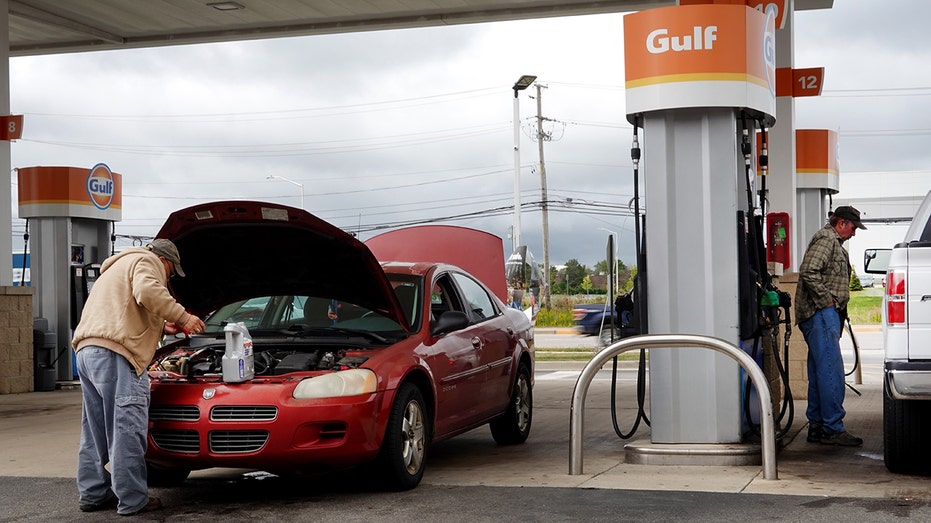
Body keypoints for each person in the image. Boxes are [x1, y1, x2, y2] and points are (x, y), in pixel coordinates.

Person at [72, 239, 205, 516]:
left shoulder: (116, 268)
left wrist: (162, 327)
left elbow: (126, 310)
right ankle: (133, 500)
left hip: (87, 352)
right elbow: (147, 291)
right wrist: (183, 317)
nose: (167, 278)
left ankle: (93, 493)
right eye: (170, 273)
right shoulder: (147, 261)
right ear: (165, 261)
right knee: (127, 429)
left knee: (93, 430)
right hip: (116, 356)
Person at [794, 205, 865, 447]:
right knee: (831, 371)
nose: (854, 233)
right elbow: (808, 271)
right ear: (842, 223)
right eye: (854, 228)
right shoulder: (827, 239)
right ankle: (833, 427)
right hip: (820, 313)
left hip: (819, 315)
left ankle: (817, 426)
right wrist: (827, 302)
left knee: (819, 372)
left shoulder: (832, 241)